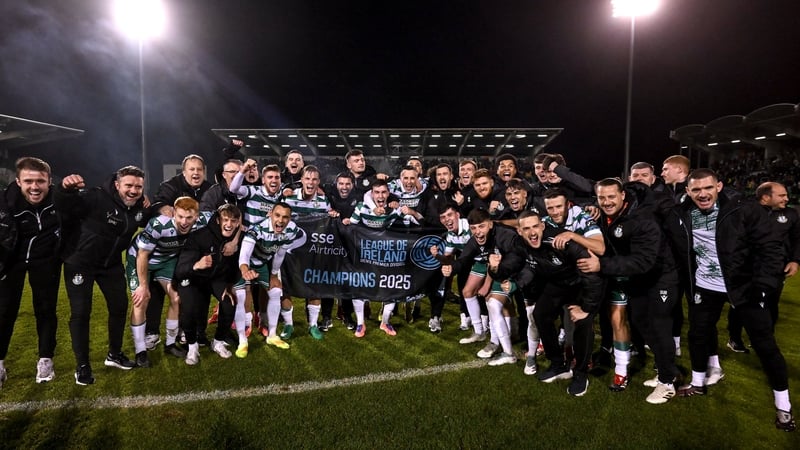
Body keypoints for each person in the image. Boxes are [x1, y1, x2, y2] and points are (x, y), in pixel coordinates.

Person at [665, 169, 795, 431]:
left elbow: (771, 248)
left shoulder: (743, 209)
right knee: (698, 335)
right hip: (705, 287)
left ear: (719, 186)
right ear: (688, 191)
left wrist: (763, 287)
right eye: (696, 189)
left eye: (708, 188)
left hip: (744, 288)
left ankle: (784, 407)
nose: (703, 194)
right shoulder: (680, 213)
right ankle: (698, 383)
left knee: (765, 345)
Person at [578, 178, 680, 404]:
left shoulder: (643, 218)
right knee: (641, 322)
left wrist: (602, 265)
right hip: (640, 278)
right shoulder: (611, 214)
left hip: (661, 277)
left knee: (660, 326)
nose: (606, 202)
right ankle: (666, 371)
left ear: (623, 195)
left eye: (611, 197)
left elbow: (643, 261)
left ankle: (667, 383)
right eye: (601, 198)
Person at [55, 166, 151, 385]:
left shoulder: (138, 206)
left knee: (119, 307)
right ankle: (82, 365)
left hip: (110, 265)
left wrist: (159, 206)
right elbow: (64, 204)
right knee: (81, 312)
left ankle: (114, 355)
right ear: (117, 185)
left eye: (138, 187)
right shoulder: (96, 197)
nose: (133, 191)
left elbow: (149, 217)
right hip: (80, 262)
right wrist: (63, 189)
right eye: (128, 185)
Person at [515, 211, 603, 395]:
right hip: (559, 284)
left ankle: (580, 374)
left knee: (583, 322)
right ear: (519, 231)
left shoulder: (562, 241)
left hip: (582, 284)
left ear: (542, 226)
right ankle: (558, 365)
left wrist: (586, 308)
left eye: (535, 226)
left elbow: (593, 276)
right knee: (540, 314)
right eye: (526, 228)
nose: (532, 232)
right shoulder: (520, 244)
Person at [125, 196, 210, 368]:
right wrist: (143, 286)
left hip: (166, 261)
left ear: (196, 216)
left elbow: (227, 215)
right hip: (140, 260)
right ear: (173, 213)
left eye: (189, 217)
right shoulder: (159, 225)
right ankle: (140, 351)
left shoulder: (203, 220)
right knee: (141, 300)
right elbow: (142, 254)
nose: (184, 222)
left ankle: (170, 344)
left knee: (176, 298)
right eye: (180, 216)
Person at [0, 157, 63, 387]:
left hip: (45, 261)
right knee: (4, 312)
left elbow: (93, 202)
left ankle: (45, 360)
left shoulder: (59, 200)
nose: (34, 187)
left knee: (46, 310)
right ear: (18, 182)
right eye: (28, 181)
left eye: (40, 181)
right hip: (10, 261)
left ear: (49, 181)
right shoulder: (4, 202)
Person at [442, 209, 526, 366]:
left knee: (529, 311)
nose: (477, 232)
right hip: (499, 270)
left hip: (519, 272)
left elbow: (516, 259)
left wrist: (495, 270)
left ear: (490, 224)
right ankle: (504, 344)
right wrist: (452, 267)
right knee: (494, 303)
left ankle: (507, 344)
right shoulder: (475, 240)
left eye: (481, 226)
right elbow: (464, 259)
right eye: (473, 228)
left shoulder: (505, 236)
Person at [146, 154, 213, 349]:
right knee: (157, 291)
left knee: (192, 290)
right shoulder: (170, 186)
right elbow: (158, 204)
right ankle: (152, 332)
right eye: (191, 169)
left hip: (192, 250)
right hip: (167, 249)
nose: (196, 173)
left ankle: (189, 330)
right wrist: (166, 208)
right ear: (184, 172)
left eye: (199, 169)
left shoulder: (209, 189)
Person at [174, 204, 243, 365]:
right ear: (218, 220)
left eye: (233, 221)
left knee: (229, 302)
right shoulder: (200, 236)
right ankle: (192, 346)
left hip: (215, 279)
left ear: (238, 223)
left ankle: (218, 341)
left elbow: (236, 265)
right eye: (225, 220)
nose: (229, 224)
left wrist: (230, 285)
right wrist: (196, 265)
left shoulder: (237, 239)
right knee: (189, 310)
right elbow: (180, 270)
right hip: (193, 277)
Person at [237, 202, 307, 352]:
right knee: (241, 295)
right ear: (270, 215)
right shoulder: (257, 229)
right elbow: (244, 254)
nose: (280, 220)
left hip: (262, 263)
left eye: (285, 217)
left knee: (275, 291)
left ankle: (272, 335)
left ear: (290, 219)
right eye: (277, 215)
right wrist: (244, 270)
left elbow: (280, 253)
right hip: (245, 263)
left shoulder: (291, 230)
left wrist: (274, 274)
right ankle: (242, 341)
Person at [344, 179, 405, 338]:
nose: (380, 196)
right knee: (359, 287)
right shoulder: (361, 207)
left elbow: (409, 224)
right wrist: (346, 222)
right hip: (365, 254)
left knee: (391, 287)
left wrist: (407, 212)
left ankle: (385, 322)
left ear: (388, 194)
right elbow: (351, 228)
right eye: (377, 192)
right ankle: (360, 323)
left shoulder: (394, 209)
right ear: (372, 194)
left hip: (386, 255)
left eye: (384, 192)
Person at [283, 165, 334, 340]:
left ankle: (312, 324)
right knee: (285, 287)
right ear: (301, 180)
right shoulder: (289, 199)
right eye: (307, 178)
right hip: (290, 252)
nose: (310, 182)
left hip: (314, 252)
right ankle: (288, 325)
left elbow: (328, 225)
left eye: (314, 179)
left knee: (315, 286)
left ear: (318, 182)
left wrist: (333, 216)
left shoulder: (324, 202)